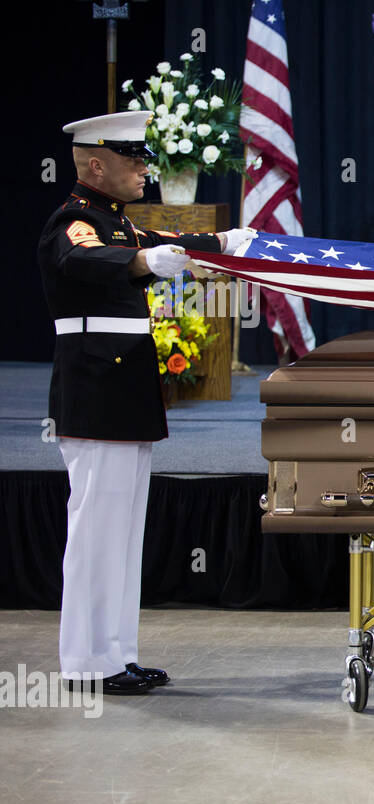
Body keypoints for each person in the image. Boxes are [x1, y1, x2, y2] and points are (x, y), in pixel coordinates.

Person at [38, 111, 256, 695]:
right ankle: (86, 663)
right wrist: (142, 263)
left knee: (123, 532)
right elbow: (81, 260)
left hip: (124, 395)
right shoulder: (74, 222)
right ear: (96, 165)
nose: (145, 168)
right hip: (94, 396)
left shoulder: (118, 224)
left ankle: (115, 656)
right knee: (95, 532)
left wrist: (225, 244)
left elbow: (169, 244)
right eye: (134, 159)